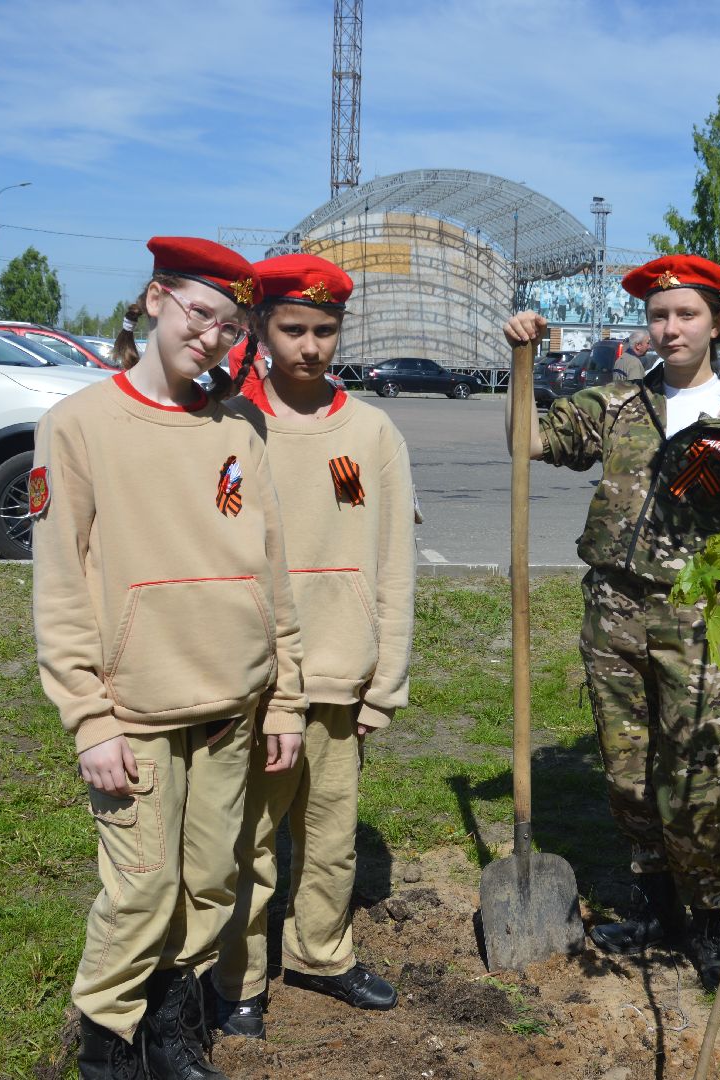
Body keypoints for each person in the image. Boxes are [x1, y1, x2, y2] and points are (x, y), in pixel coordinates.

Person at [33, 236, 306, 1080]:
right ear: (156, 299)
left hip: (232, 706)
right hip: (136, 712)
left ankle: (171, 1028)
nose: (213, 338)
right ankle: (107, 1046)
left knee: (213, 883)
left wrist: (286, 697)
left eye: (230, 327)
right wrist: (89, 720)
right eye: (200, 314)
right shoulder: (77, 426)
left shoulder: (238, 430)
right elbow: (60, 589)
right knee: (142, 890)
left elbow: (272, 567)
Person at [501, 254, 720, 991]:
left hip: (697, 620)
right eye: (659, 315)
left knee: (690, 779)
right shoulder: (618, 406)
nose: (670, 328)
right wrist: (522, 360)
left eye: (686, 314)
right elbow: (528, 442)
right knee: (629, 774)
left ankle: (708, 921)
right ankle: (656, 906)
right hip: (615, 613)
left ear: (716, 324)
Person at [210, 254, 416, 1036]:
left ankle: (324, 953)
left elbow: (393, 559)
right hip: (254, 682)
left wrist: (383, 679)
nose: (309, 346)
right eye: (292, 328)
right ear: (260, 327)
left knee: (331, 836)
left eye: (324, 330)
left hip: (339, 677)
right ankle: (239, 981)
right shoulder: (231, 423)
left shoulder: (370, 431)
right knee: (248, 843)